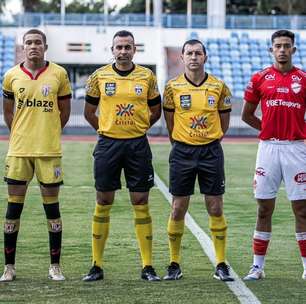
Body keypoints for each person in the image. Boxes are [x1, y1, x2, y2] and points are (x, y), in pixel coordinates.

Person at [83, 30, 161, 282]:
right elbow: (89, 112)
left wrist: (137, 129)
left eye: (128, 47)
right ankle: (96, 265)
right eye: (119, 47)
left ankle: (147, 266)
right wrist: (107, 131)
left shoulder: (147, 76)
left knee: (140, 201)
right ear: (112, 49)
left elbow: (155, 111)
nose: (123, 51)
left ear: (134, 50)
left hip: (137, 145)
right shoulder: (99, 76)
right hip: (108, 145)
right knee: (104, 200)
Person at [0, 29, 71, 282]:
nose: (33, 46)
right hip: (19, 151)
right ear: (22, 47)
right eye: (28, 43)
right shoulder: (11, 76)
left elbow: (64, 112)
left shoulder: (59, 74)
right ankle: (9, 267)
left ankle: (55, 267)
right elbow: (9, 113)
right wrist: (23, 133)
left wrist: (47, 133)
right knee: (12, 211)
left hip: (48, 152)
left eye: (37, 42)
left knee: (52, 210)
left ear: (45, 46)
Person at [163, 39, 234, 281]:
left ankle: (221, 263)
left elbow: (224, 123)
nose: (194, 57)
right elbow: (170, 122)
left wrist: (209, 140)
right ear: (181, 58)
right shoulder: (172, 88)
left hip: (210, 152)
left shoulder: (219, 86)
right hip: (182, 152)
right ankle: (174, 263)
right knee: (178, 208)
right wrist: (183, 143)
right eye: (189, 53)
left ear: (205, 57)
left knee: (215, 207)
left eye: (198, 53)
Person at [242, 30, 306, 281]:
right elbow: (247, 115)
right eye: (278, 46)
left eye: (286, 46)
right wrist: (269, 130)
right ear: (271, 50)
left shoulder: (303, 78)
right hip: (268, 148)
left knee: (302, 210)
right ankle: (257, 267)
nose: (282, 50)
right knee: (264, 208)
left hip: (297, 148)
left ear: (293, 49)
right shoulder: (260, 78)